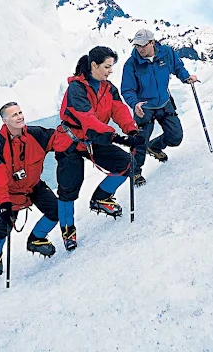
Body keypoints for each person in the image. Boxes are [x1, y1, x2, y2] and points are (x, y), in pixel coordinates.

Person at [51, 46, 145, 251]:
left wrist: (132, 130)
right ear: (94, 65)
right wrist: (117, 138)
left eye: (112, 67)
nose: (110, 71)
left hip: (94, 139)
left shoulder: (108, 88)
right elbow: (88, 120)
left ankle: (101, 198)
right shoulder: (76, 89)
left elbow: (119, 109)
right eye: (107, 66)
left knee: (128, 163)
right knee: (68, 189)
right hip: (71, 142)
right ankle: (68, 231)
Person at [0, 102, 59, 277]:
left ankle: (36, 239)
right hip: (11, 194)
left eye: (20, 113)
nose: (20, 117)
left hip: (34, 185)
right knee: (4, 226)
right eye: (14, 115)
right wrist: (4, 204)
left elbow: (59, 139)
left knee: (56, 210)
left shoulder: (36, 134)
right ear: (5, 120)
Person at [121, 28, 198, 185]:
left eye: (143, 45)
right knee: (139, 142)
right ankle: (135, 173)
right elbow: (127, 89)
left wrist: (186, 77)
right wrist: (134, 104)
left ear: (152, 43)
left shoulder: (166, 53)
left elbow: (178, 67)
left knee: (175, 137)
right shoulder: (131, 64)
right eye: (137, 46)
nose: (140, 49)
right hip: (144, 107)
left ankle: (154, 147)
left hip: (164, 102)